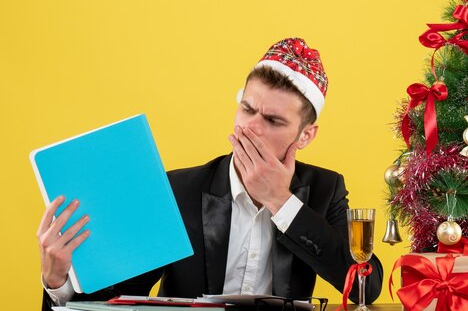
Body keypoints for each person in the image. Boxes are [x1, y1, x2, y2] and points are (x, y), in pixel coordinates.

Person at [37, 37, 384, 310]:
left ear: (305, 135)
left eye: (274, 121)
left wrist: (281, 201)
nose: (251, 127)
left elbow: (367, 287)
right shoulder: (179, 190)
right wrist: (57, 281)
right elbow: (112, 303)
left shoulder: (325, 189)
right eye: (247, 108)